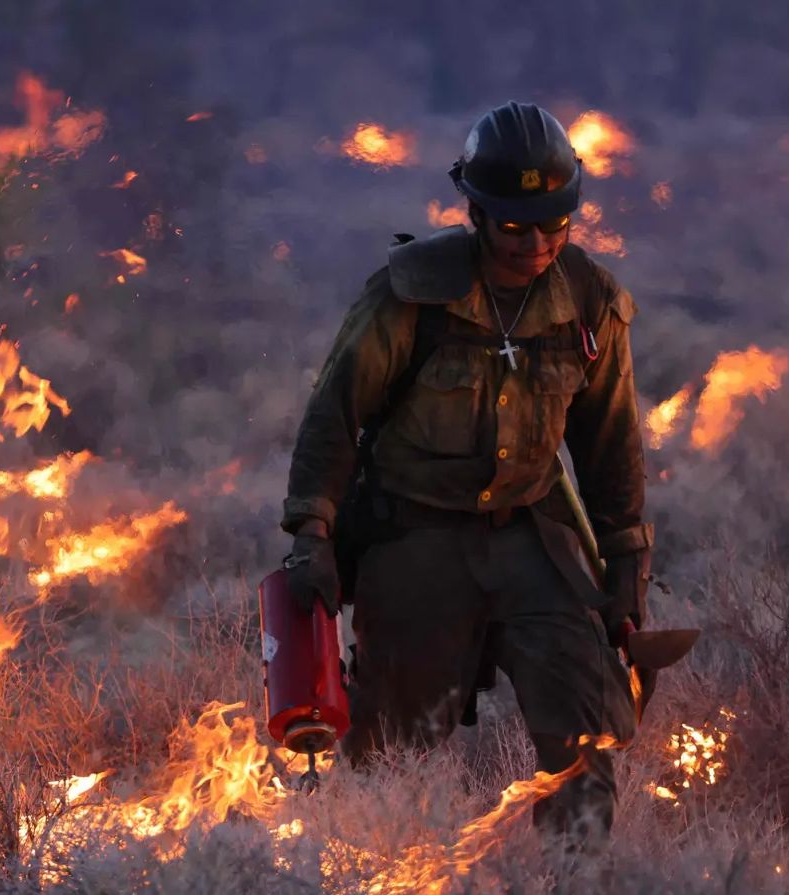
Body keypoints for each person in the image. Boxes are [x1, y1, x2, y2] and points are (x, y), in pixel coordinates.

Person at [279, 101, 652, 842]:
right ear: (477, 214)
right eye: (516, 226)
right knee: (393, 748)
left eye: (555, 223)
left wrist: (627, 557)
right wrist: (312, 532)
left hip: (530, 536)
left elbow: (610, 443)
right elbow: (335, 413)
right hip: (414, 536)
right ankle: (365, 868)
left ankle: (576, 880)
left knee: (584, 726)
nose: (537, 242)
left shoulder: (589, 302)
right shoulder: (408, 294)